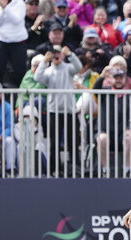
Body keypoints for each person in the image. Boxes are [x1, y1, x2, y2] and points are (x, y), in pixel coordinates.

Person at [34, 45, 82, 176]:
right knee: (54, 142)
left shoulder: (68, 68)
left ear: (62, 54)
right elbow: (37, 77)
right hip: (54, 111)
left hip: (70, 111)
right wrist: (44, 61)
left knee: (73, 142)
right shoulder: (48, 71)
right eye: (53, 53)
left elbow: (79, 67)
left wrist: (70, 54)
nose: (56, 55)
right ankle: (54, 170)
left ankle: (76, 168)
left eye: (59, 53)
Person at [93, 66, 131, 177]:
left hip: (122, 133)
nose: (119, 80)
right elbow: (94, 89)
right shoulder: (104, 92)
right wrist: (102, 76)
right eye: (116, 77)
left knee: (129, 137)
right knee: (102, 139)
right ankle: (105, 170)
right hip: (106, 131)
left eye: (121, 77)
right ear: (111, 79)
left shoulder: (130, 95)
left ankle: (127, 170)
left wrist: (129, 128)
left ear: (125, 79)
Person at [0, 0, 28, 87]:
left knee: (20, 73)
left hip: (18, 43)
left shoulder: (20, 3)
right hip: (1, 41)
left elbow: (17, 20)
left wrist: (5, 7)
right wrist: (3, 9)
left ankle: (20, 98)